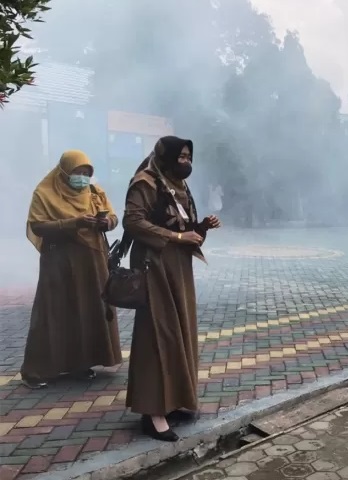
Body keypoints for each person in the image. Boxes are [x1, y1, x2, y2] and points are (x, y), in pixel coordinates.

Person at [123, 136, 221, 441]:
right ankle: (152, 413)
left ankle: (174, 400)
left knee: (180, 331)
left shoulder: (178, 184)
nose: (186, 161)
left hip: (179, 268)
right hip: (154, 266)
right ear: (164, 156)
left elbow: (184, 227)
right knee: (158, 333)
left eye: (189, 155)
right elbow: (132, 221)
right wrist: (178, 238)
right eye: (180, 156)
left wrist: (201, 228)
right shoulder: (146, 181)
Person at [22, 150, 122, 388]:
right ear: (65, 171)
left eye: (87, 173)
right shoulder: (44, 193)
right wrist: (73, 223)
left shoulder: (95, 192)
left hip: (93, 262)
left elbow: (114, 217)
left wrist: (106, 222)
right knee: (54, 313)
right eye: (78, 172)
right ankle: (37, 371)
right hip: (59, 262)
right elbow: (37, 226)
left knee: (87, 309)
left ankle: (82, 364)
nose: (83, 177)